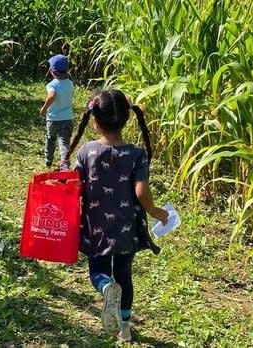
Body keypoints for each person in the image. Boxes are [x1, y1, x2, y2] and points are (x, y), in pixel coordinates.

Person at [65, 89, 169, 342]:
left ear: (94, 120)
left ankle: (105, 288)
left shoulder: (86, 151)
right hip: (126, 229)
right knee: (124, 276)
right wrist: (155, 211)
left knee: (97, 271)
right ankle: (125, 327)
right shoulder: (135, 154)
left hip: (95, 226)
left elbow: (75, 186)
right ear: (127, 119)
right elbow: (141, 190)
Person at [39, 54, 75, 169]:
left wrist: (43, 109)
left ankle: (48, 161)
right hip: (67, 118)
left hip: (53, 119)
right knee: (64, 143)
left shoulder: (52, 85)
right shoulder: (70, 84)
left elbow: (52, 95)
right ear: (67, 70)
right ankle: (65, 165)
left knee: (50, 139)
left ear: (51, 70)